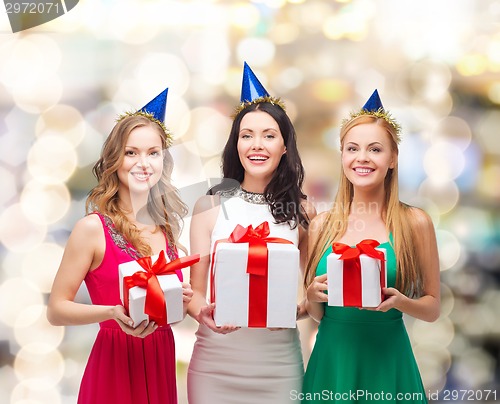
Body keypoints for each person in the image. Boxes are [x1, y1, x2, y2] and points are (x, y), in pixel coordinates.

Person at [47, 88, 194, 404]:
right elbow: (56, 309)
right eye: (132, 153)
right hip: (114, 363)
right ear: (115, 160)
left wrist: (178, 304)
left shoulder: (166, 228)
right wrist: (112, 313)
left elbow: (165, 312)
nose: (143, 163)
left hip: (160, 358)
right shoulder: (92, 229)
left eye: (153, 153)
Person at [187, 62, 316, 404]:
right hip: (215, 364)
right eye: (247, 135)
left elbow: (314, 296)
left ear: (285, 146)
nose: (256, 145)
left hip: (278, 364)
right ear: (236, 144)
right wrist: (203, 312)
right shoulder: (209, 206)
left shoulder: (303, 211)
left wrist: (297, 311)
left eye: (269, 135)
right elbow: (195, 292)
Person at [302, 90, 440, 403]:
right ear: (342, 156)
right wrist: (311, 296)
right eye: (352, 148)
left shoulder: (415, 223)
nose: (362, 157)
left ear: (392, 159)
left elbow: (432, 308)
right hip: (333, 360)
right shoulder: (322, 225)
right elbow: (318, 315)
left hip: (388, 359)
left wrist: (400, 301)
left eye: (374, 149)